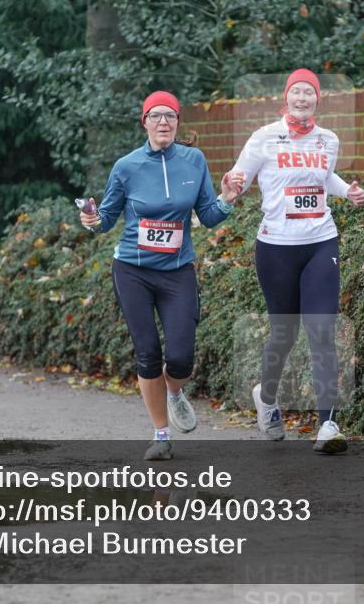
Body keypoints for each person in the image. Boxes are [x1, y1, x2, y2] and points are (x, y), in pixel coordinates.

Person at [79, 91, 244, 461]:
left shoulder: (194, 161)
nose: (163, 122)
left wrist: (228, 199)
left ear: (178, 123)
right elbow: (105, 219)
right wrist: (91, 220)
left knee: (181, 357)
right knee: (148, 354)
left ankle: (175, 393)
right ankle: (161, 433)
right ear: (145, 122)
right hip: (133, 271)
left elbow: (209, 215)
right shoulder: (126, 166)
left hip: (177, 271)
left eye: (170, 116)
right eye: (156, 116)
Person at [230, 69, 364, 454]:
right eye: (297, 92)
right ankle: (267, 396)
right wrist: (232, 186)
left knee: (321, 330)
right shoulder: (264, 138)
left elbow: (324, 179)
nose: (303, 98)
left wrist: (348, 191)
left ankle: (327, 424)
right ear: (286, 97)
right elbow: (239, 178)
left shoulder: (329, 140)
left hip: (321, 241)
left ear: (317, 99)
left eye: (309, 92)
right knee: (284, 334)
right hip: (275, 248)